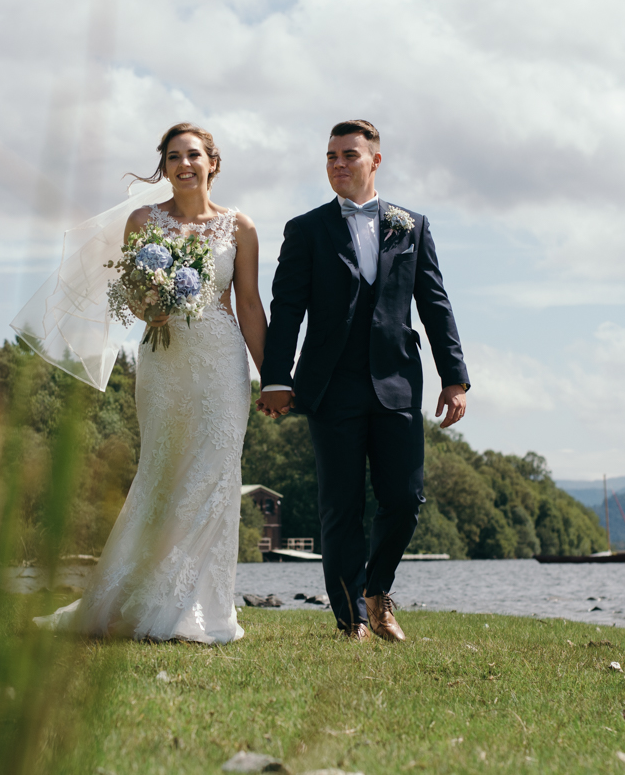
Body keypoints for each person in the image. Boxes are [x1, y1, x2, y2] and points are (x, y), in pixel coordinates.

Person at [31, 123, 265, 644]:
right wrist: (149, 307)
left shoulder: (240, 227)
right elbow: (134, 296)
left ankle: (197, 610)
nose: (185, 164)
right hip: (163, 361)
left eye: (194, 155)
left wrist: (272, 378)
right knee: (162, 472)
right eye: (174, 156)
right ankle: (140, 597)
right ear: (163, 166)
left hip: (221, 361)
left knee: (215, 473)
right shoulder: (143, 221)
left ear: (213, 163)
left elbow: (247, 304)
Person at [258, 120, 469, 642]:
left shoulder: (411, 225)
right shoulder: (305, 229)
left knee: (405, 497)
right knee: (341, 506)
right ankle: (352, 619)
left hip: (397, 382)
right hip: (330, 385)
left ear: (376, 160)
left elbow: (434, 303)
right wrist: (276, 379)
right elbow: (286, 310)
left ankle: (377, 590)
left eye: (349, 154)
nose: (338, 164)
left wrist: (454, 378)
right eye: (330, 156)